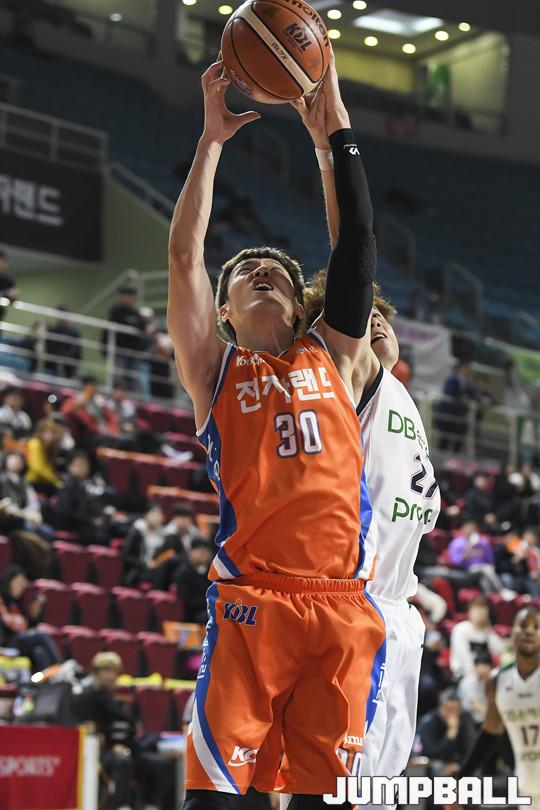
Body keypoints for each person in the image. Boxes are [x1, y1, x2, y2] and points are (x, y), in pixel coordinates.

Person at [167, 52, 384, 808]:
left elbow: (355, 245)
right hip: (251, 605)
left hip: (342, 603)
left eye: (282, 276)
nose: (264, 273)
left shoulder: (336, 355)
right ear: (223, 311)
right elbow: (183, 256)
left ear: (299, 308)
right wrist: (210, 142)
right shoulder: (214, 370)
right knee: (220, 799)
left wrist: (333, 138)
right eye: (245, 274)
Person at [294, 83, 441, 797]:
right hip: (356, 606)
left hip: (398, 617)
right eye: (364, 315)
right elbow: (354, 249)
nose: (375, 319)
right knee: (343, 790)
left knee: (374, 790)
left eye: (383, 314)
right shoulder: (346, 378)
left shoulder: (402, 398)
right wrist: (333, 143)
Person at [72, 651, 175, 810]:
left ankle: (151, 804)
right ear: (96, 672)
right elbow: (90, 729)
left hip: (124, 746)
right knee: (122, 761)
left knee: (161, 765)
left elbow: (125, 726)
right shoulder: (86, 696)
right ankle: (121, 806)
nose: (112, 676)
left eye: (114, 671)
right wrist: (111, 745)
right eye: (107, 671)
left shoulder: (109, 696)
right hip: (98, 751)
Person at [460, 608, 540, 810]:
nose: (529, 631)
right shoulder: (498, 681)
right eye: (523, 626)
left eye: (536, 627)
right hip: (527, 789)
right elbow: (489, 735)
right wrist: (461, 778)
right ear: (512, 632)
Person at [0, 565, 62, 672]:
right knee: (41, 635)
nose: (21, 587)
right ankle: (60, 665)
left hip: (19, 642)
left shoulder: (16, 604)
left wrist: (35, 611)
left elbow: (27, 626)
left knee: (38, 652)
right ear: (9, 581)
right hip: (6, 642)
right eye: (19, 583)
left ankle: (49, 679)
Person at [55, 451, 110, 545]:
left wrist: (102, 517)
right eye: (79, 465)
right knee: (101, 538)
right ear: (69, 467)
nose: (83, 468)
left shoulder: (87, 486)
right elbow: (66, 512)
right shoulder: (66, 487)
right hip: (75, 526)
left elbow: (93, 507)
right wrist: (91, 521)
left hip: (88, 525)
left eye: (85, 465)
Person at [418, 688, 476, 775]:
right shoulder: (428, 722)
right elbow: (431, 752)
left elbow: (469, 750)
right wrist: (451, 733)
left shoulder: (463, 720)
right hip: (432, 765)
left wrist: (459, 765)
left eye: (456, 710)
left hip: (456, 765)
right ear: (441, 707)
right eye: (449, 709)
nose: (452, 714)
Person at [450, 597, 506, 680]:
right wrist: (475, 674)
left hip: (485, 675)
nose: (481, 613)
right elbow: (464, 657)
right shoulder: (461, 629)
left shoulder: (486, 632)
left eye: (484, 610)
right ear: (469, 612)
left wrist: (489, 629)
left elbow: (501, 649)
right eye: (477, 610)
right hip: (463, 674)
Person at [104, 286, 147, 392]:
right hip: (118, 349)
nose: (128, 298)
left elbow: (142, 326)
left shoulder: (135, 312)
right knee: (117, 375)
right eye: (125, 296)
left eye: (130, 296)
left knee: (133, 377)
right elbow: (115, 324)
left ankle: (133, 397)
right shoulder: (115, 310)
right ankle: (115, 394)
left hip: (132, 351)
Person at [448, 520, 508, 594]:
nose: (471, 531)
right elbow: (456, 563)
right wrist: (469, 546)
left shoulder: (483, 543)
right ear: (463, 530)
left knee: (484, 577)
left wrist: (492, 566)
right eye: (469, 529)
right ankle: (501, 591)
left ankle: (490, 596)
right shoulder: (456, 543)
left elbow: (490, 560)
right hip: (466, 571)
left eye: (473, 529)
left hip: (484, 570)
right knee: (486, 569)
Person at [61, 375, 119, 449]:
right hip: (83, 435)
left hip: (100, 433)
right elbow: (65, 413)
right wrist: (78, 405)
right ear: (85, 387)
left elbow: (111, 417)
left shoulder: (100, 401)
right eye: (91, 386)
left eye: (94, 386)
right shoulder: (75, 400)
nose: (93, 389)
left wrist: (112, 431)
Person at [122, 502, 172, 588]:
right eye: (153, 514)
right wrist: (145, 564)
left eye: (159, 515)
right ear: (146, 515)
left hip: (156, 568)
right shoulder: (137, 532)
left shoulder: (165, 535)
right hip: (137, 569)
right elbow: (126, 556)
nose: (156, 518)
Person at [435, 359, 476, 451]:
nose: (468, 370)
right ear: (461, 367)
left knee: (457, 438)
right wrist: (461, 397)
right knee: (445, 438)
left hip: (459, 415)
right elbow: (449, 392)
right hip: (448, 412)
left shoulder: (467, 381)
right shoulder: (452, 378)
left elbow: (471, 393)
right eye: (467, 368)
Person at [174, 537, 213, 623]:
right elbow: (186, 601)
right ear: (191, 553)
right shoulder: (183, 572)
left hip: (209, 609)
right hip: (192, 614)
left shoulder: (212, 572)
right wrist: (210, 601)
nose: (204, 554)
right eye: (201, 551)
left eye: (206, 551)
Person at [26, 418, 64, 494]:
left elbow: (50, 468)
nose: (51, 435)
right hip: (33, 481)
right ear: (41, 432)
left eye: (53, 432)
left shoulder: (50, 447)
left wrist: (57, 480)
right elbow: (37, 468)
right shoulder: (35, 443)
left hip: (46, 481)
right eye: (48, 432)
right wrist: (55, 481)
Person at [44, 306, 82, 379]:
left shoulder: (74, 333)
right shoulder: (52, 330)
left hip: (68, 365)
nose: (64, 319)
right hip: (53, 362)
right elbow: (48, 348)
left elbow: (76, 352)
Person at [457, 651, 493, 726]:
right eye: (483, 667)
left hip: (482, 716)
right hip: (470, 719)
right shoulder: (469, 682)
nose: (485, 670)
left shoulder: (486, 679)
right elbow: (476, 705)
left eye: (487, 667)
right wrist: (492, 718)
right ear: (476, 667)